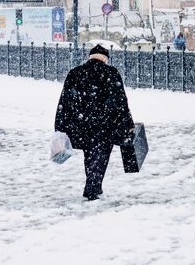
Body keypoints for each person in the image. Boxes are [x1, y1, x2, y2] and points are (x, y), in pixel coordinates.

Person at [55, 44, 135, 200]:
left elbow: (64, 102)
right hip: (105, 126)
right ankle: (93, 188)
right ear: (105, 59)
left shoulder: (75, 73)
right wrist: (127, 124)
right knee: (100, 157)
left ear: (90, 57)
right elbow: (121, 103)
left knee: (90, 155)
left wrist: (60, 126)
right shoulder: (111, 73)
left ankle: (93, 186)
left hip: (80, 125)